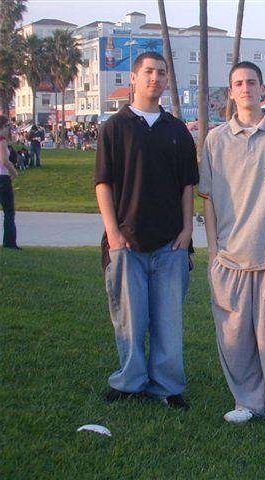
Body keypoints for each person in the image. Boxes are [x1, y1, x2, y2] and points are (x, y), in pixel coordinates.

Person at [199, 61, 265, 436]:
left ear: (263, 89)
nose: (245, 88)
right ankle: (247, 402)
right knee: (234, 338)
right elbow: (208, 200)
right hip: (230, 258)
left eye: (252, 82)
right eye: (238, 83)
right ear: (231, 92)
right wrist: (213, 251)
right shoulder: (216, 140)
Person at [94, 52, 198, 409]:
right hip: (126, 241)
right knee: (130, 320)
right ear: (135, 78)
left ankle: (167, 387)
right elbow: (103, 183)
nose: (155, 78)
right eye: (149, 72)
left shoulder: (176, 130)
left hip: (170, 243)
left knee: (169, 323)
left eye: (162, 73)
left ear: (167, 81)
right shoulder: (114, 128)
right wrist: (114, 233)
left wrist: (187, 231)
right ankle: (129, 382)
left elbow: (188, 184)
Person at [0, 115, 21, 250]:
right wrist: (14, 172)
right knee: (9, 212)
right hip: (2, 178)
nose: (9, 130)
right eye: (8, 126)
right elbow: (4, 161)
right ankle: (9, 242)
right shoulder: (1, 140)